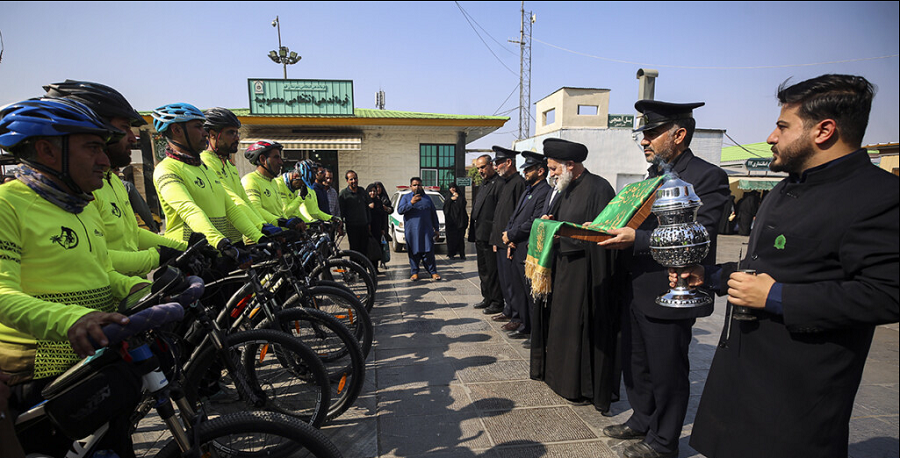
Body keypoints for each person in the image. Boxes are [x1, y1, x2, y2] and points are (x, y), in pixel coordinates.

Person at [674, 74, 899, 458]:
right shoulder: (787, 186)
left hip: (797, 393)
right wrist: (711, 276)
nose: (771, 137)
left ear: (824, 130)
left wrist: (777, 297)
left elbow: (886, 295)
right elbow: (769, 266)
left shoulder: (879, 196)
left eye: (782, 126)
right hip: (741, 378)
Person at [0, 98, 149, 454]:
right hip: (39, 375)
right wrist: (73, 319)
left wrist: (147, 288)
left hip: (93, 364)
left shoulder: (82, 205)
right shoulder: (8, 204)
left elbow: (103, 274)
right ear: (47, 150)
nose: (103, 159)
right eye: (92, 148)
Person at [599, 100, 729, 458]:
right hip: (636, 286)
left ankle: (663, 441)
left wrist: (635, 239)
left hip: (671, 288)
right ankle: (642, 419)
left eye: (652, 134)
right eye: (643, 135)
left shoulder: (707, 177)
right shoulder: (650, 178)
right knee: (637, 362)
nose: (644, 141)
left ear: (680, 134)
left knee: (667, 371)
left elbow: (700, 233)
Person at [43, 80, 186, 277]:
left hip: (128, 290)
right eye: (124, 128)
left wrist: (183, 247)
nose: (132, 137)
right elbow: (90, 258)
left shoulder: (114, 182)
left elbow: (132, 235)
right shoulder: (82, 189)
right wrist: (156, 257)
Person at [529, 138, 619, 413]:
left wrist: (565, 234)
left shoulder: (599, 188)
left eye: (554, 168)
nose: (551, 173)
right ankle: (560, 379)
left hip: (585, 274)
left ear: (570, 165)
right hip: (563, 270)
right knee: (561, 327)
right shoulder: (564, 189)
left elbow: (603, 237)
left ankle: (580, 387)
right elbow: (564, 224)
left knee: (579, 330)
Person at [151, 103, 270, 258]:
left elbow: (231, 208)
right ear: (176, 130)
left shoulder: (203, 168)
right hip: (190, 254)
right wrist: (220, 241)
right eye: (198, 127)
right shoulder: (167, 169)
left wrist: (260, 236)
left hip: (218, 250)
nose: (204, 133)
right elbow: (188, 209)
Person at [200, 108, 277, 242]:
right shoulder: (205, 162)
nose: (237, 138)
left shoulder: (230, 165)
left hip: (236, 240)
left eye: (237, 133)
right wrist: (260, 227)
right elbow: (233, 200)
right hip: (218, 243)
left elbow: (245, 200)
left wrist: (263, 225)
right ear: (212, 134)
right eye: (231, 133)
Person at [502, 151, 551, 346]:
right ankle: (526, 326)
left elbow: (534, 222)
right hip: (516, 246)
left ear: (540, 171)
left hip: (528, 248)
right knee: (520, 291)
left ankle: (536, 334)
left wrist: (512, 235)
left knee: (532, 294)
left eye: (529, 169)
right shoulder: (528, 190)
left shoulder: (544, 191)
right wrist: (508, 236)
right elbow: (514, 217)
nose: (525, 173)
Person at [488, 147, 526, 324]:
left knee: (512, 282)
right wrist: (496, 239)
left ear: (508, 162)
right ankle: (508, 309)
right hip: (501, 240)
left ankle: (516, 315)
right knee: (504, 280)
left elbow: (519, 215)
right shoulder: (504, 183)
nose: (496, 167)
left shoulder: (519, 182)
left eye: (498, 163)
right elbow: (500, 213)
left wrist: (512, 239)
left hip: (510, 240)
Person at [241, 141, 304, 232]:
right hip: (259, 240)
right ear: (263, 159)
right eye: (276, 158)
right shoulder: (250, 180)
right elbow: (254, 209)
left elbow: (280, 212)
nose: (281, 162)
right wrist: (283, 222)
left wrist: (294, 223)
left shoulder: (273, 182)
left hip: (278, 236)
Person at [468, 154, 504, 312]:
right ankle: (487, 297)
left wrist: (497, 237)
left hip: (491, 235)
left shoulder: (500, 184)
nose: (481, 171)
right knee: (483, 269)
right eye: (478, 168)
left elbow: (500, 213)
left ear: (491, 165)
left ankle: (497, 301)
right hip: (480, 234)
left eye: (483, 167)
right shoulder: (483, 184)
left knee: (492, 270)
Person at [397, 177, 441, 281]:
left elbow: (433, 214)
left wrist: (437, 229)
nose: (417, 187)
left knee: (429, 251)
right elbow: (400, 210)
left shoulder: (427, 199)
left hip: (426, 231)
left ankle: (433, 272)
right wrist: (411, 203)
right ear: (410, 186)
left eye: (419, 185)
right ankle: (415, 272)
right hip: (412, 231)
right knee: (413, 252)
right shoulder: (406, 198)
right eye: (415, 185)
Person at [339, 170, 372, 256]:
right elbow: (341, 212)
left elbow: (367, 208)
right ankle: (354, 269)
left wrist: (368, 223)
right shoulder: (343, 194)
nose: (354, 181)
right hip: (352, 227)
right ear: (347, 181)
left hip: (364, 226)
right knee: (354, 250)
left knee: (364, 250)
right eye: (351, 179)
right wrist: (340, 226)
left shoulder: (362, 191)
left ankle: (363, 269)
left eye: (355, 178)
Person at [366, 183, 389, 273]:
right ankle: (366, 269)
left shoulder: (379, 202)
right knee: (368, 250)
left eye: (374, 191)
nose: (372, 193)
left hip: (378, 230)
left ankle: (375, 269)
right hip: (367, 230)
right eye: (370, 191)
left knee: (376, 249)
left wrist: (383, 229)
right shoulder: (365, 202)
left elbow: (383, 216)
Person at [443, 182, 468, 259]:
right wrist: (451, 200)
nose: (452, 189)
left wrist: (458, 198)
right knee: (451, 239)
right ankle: (451, 254)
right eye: (451, 188)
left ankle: (462, 254)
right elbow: (445, 208)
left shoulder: (460, 196)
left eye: (453, 187)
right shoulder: (448, 197)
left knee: (460, 239)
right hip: (451, 223)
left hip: (460, 222)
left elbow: (463, 205)